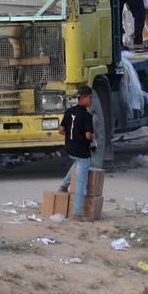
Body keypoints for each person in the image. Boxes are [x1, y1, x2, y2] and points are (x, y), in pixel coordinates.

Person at [55, 86, 94, 219]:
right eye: (90, 97)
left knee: (76, 163)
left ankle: (63, 186)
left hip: (70, 148)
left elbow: (61, 129)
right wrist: (92, 139)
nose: (91, 100)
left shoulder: (69, 111)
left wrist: (71, 135)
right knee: (81, 182)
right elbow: (88, 136)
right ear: (83, 98)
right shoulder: (87, 116)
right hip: (82, 150)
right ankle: (77, 213)